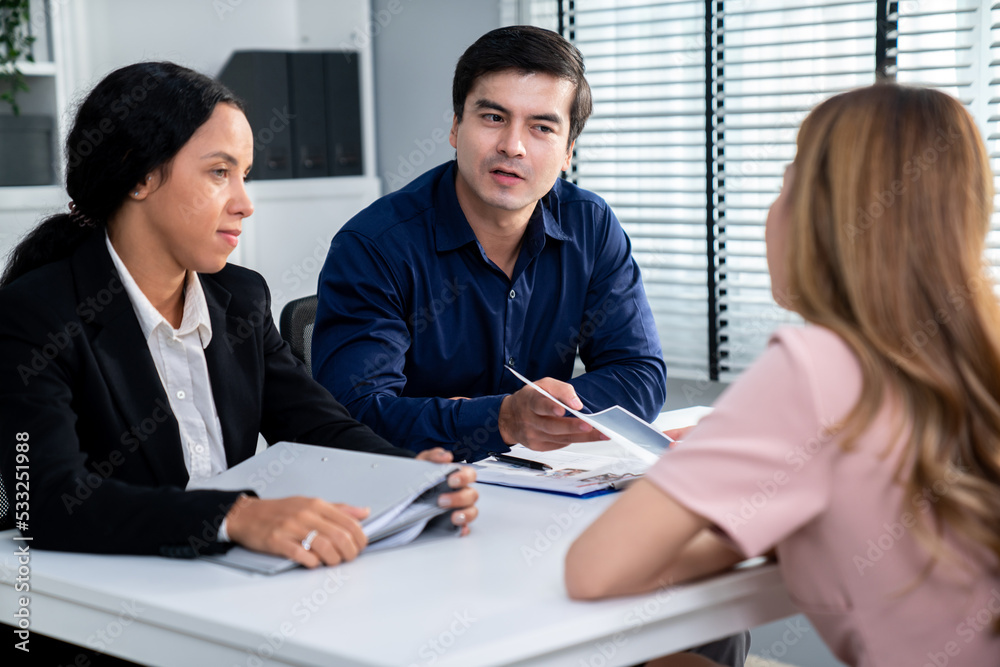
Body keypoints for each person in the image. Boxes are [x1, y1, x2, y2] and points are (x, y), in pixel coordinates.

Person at [566, 83, 1000, 666]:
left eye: (785, 184)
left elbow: (593, 570)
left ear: (826, 218)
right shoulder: (976, 353)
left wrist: (736, 507)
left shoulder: (819, 368)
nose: (772, 212)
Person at [0, 62, 478, 572]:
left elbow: (318, 425)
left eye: (244, 175)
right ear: (137, 174)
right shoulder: (34, 315)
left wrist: (406, 474)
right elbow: (43, 503)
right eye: (219, 173)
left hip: (235, 583)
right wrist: (235, 517)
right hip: (114, 601)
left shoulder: (240, 299)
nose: (245, 203)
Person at [312, 25, 668, 462]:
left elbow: (640, 376)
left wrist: (540, 412)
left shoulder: (590, 226)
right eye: (493, 118)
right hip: (416, 494)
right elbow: (354, 415)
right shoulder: (374, 246)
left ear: (568, 151)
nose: (512, 146)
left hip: (540, 483)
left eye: (541, 127)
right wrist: (501, 419)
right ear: (456, 127)